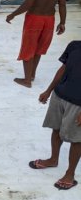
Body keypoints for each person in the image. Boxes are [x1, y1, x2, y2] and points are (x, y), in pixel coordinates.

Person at [6, 0, 66, 88]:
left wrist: (13, 14)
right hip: (49, 20)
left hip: (35, 19)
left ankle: (27, 80)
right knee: (39, 49)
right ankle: (32, 75)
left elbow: (28, 4)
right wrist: (62, 22)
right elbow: (62, 4)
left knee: (28, 48)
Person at [32, 41, 81, 191]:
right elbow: (63, 68)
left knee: (77, 139)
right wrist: (48, 90)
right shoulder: (74, 45)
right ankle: (53, 159)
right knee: (56, 129)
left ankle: (70, 174)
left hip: (78, 104)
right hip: (59, 95)